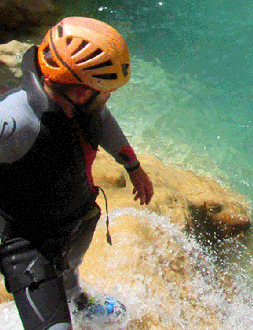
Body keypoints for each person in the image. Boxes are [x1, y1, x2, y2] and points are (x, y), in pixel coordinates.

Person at [0, 17, 154, 329]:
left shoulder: (81, 106)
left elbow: (105, 124)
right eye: (105, 91)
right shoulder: (17, 121)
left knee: (70, 268)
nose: (108, 96)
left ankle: (78, 302)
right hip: (27, 243)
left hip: (69, 219)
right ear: (82, 92)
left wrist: (133, 167)